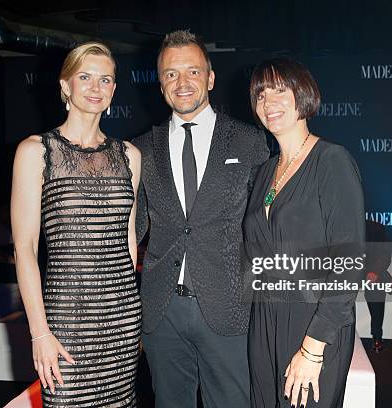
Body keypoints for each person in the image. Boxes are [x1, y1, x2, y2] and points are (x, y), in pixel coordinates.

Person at [133, 29, 269, 407]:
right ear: (160, 84)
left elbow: (266, 227)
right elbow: (133, 228)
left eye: (192, 71)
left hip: (229, 309)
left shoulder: (249, 141)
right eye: (171, 74)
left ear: (209, 78)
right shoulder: (141, 148)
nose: (182, 83)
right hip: (162, 312)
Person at [11, 42, 142, 407]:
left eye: (105, 79)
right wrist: (40, 333)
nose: (95, 87)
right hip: (65, 320)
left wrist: (130, 316)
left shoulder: (129, 155)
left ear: (114, 90)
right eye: (84, 77)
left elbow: (128, 240)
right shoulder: (35, 151)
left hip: (122, 320)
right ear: (65, 86)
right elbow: (24, 249)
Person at [244, 58, 365, 408]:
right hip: (265, 322)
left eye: (280, 90)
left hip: (314, 326)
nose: (269, 102)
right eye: (261, 94)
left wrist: (312, 349)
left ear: (304, 95)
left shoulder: (332, 162)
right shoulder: (265, 172)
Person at [364, 219, 392, 353]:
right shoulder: (339, 225)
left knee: (375, 287)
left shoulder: (375, 228)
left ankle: (377, 335)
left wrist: (375, 271)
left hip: (369, 269)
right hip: (348, 268)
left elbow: (385, 255)